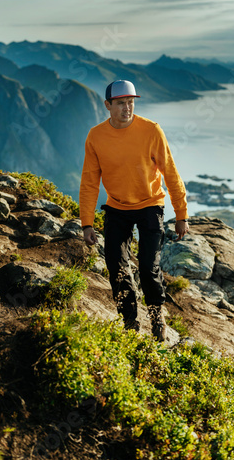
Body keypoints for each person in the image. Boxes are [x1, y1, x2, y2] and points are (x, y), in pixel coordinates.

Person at [79, 80, 189, 341]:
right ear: (108, 105)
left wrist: (181, 214)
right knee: (116, 265)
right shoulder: (96, 136)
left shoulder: (151, 130)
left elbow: (171, 173)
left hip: (151, 205)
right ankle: (129, 321)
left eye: (131, 102)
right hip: (117, 207)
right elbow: (89, 181)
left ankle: (156, 317)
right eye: (120, 103)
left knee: (148, 267)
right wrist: (87, 223)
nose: (127, 108)